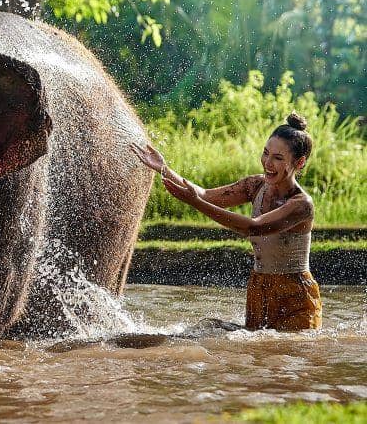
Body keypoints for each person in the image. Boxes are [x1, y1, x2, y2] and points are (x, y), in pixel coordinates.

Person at [131, 112, 321, 331]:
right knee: (249, 349)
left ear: (300, 162)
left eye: (278, 158)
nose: (267, 163)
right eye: (266, 153)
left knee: (285, 356)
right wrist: (164, 169)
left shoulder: (301, 204)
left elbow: (253, 227)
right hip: (259, 288)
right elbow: (206, 195)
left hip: (295, 295)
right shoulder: (255, 185)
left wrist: (195, 203)